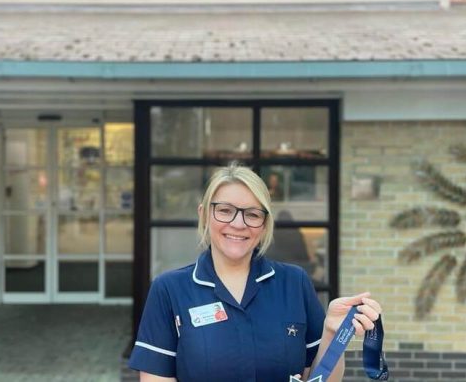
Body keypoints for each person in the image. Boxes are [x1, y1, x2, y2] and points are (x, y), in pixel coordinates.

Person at [128, 163, 381, 382]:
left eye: (252, 214)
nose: (238, 224)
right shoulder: (169, 290)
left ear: (264, 224)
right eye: (225, 210)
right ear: (204, 215)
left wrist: (331, 334)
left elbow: (318, 378)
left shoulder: (294, 283)